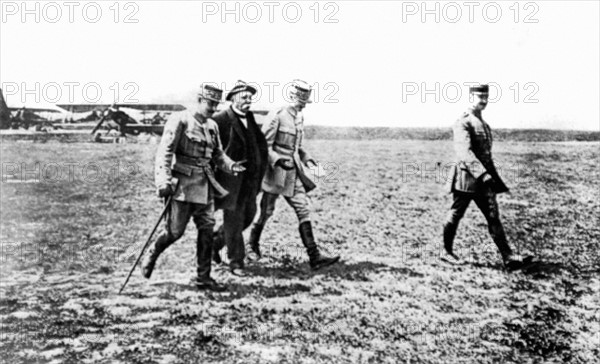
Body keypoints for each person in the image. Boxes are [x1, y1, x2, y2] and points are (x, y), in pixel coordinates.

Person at [141, 84, 246, 291]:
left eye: (216, 104)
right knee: (174, 232)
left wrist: (231, 165)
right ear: (199, 100)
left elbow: (217, 155)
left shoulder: (212, 126)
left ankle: (203, 277)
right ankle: (153, 251)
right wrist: (163, 181)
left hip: (205, 185)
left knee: (207, 229)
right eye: (210, 103)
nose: (213, 108)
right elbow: (165, 152)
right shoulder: (180, 119)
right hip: (182, 186)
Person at [246, 79, 341, 270]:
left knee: (303, 209)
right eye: (300, 100)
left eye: (305, 101)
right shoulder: (278, 115)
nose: (303, 104)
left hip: (293, 172)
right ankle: (251, 246)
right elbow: (264, 145)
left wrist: (309, 160)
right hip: (276, 173)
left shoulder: (298, 118)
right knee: (267, 211)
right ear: (290, 97)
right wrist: (276, 160)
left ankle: (314, 257)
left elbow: (297, 147)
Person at [443, 84, 523, 270]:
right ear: (471, 98)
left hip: (483, 181)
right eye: (481, 97)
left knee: (493, 216)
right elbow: (464, 152)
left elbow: (486, 155)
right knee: (456, 214)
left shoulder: (483, 123)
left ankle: (508, 257)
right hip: (466, 180)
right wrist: (483, 174)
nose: (484, 101)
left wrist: (493, 178)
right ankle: (446, 252)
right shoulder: (463, 122)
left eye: (486, 98)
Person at [212, 81, 268, 276]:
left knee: (248, 216)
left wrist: (260, 171)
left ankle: (214, 243)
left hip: (250, 181)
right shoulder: (220, 119)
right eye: (244, 97)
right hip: (230, 181)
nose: (248, 100)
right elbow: (212, 151)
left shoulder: (250, 118)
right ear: (233, 98)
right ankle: (236, 262)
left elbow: (261, 145)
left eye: (250, 97)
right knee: (234, 221)